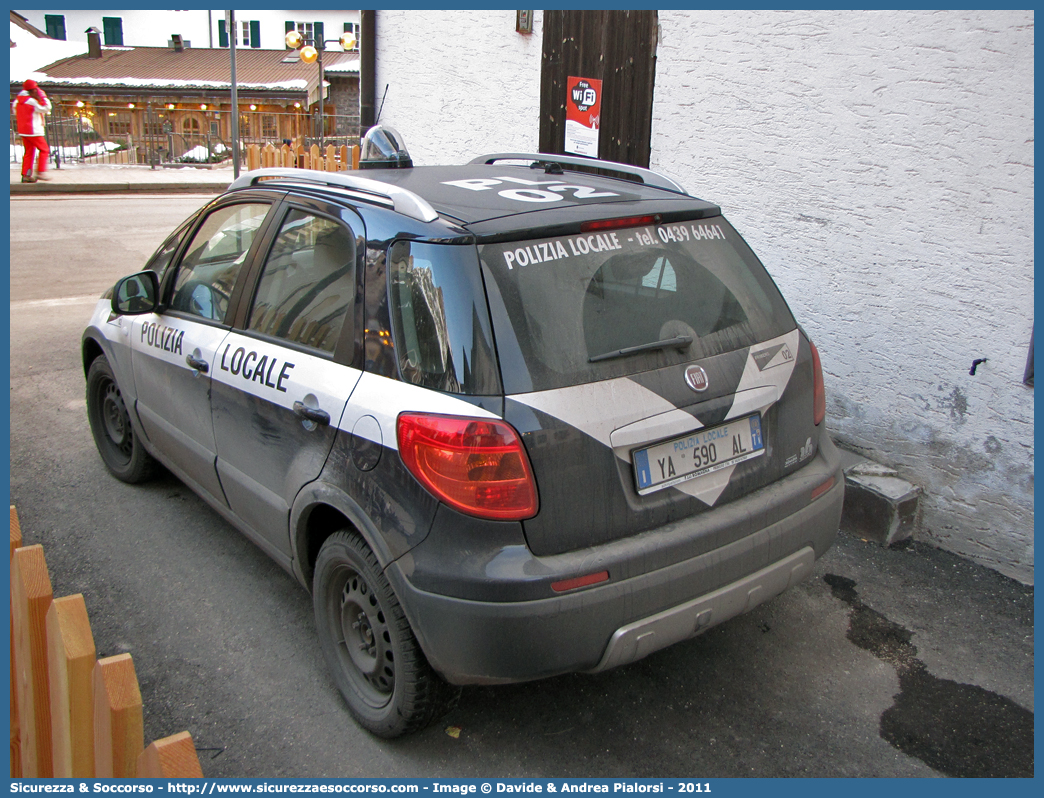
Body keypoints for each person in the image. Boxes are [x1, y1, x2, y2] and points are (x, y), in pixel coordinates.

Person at [12, 79, 52, 183]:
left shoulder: (17, 100)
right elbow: (46, 108)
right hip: (34, 130)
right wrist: (43, 97)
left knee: (29, 152)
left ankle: (26, 175)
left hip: (23, 130)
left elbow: (15, 111)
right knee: (44, 150)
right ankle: (40, 171)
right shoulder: (32, 101)